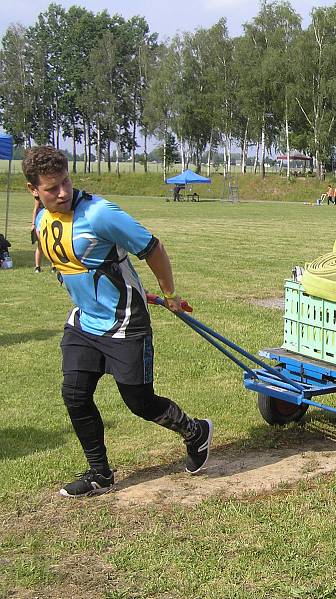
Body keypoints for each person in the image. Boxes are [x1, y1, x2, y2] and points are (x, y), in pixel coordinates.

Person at [24, 146, 212, 497]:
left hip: (125, 322)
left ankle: (195, 431)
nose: (62, 192)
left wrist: (169, 294)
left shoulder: (100, 214)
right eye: (52, 188)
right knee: (75, 395)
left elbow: (153, 248)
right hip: (84, 323)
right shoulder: (42, 219)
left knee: (139, 402)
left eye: (65, 182)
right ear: (34, 190)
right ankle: (100, 474)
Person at [31, 196, 43, 272]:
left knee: (52, 245)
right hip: (41, 220)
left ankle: (54, 267)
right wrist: (33, 224)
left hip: (52, 219)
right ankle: (37, 267)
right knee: (40, 244)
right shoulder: (39, 196)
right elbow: (35, 209)